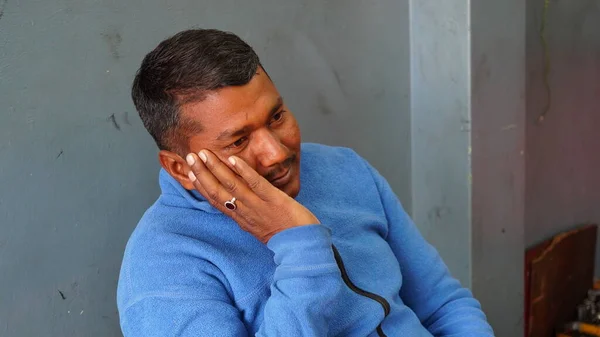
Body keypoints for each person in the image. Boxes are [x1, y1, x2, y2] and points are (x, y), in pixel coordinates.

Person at [116, 28, 494, 337]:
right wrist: (299, 248)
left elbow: (443, 304)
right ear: (180, 168)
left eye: (277, 116)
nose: (276, 153)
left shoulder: (344, 169)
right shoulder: (162, 265)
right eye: (238, 140)